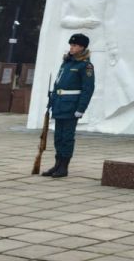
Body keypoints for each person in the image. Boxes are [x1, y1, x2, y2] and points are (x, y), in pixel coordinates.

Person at [41, 33, 95, 179]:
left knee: (67, 137)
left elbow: (88, 89)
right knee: (58, 136)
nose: (71, 47)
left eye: (75, 45)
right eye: (71, 45)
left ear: (82, 47)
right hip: (59, 104)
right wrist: (51, 102)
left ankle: (64, 166)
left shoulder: (85, 65)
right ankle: (57, 164)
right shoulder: (67, 62)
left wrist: (80, 109)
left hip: (71, 106)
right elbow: (58, 83)